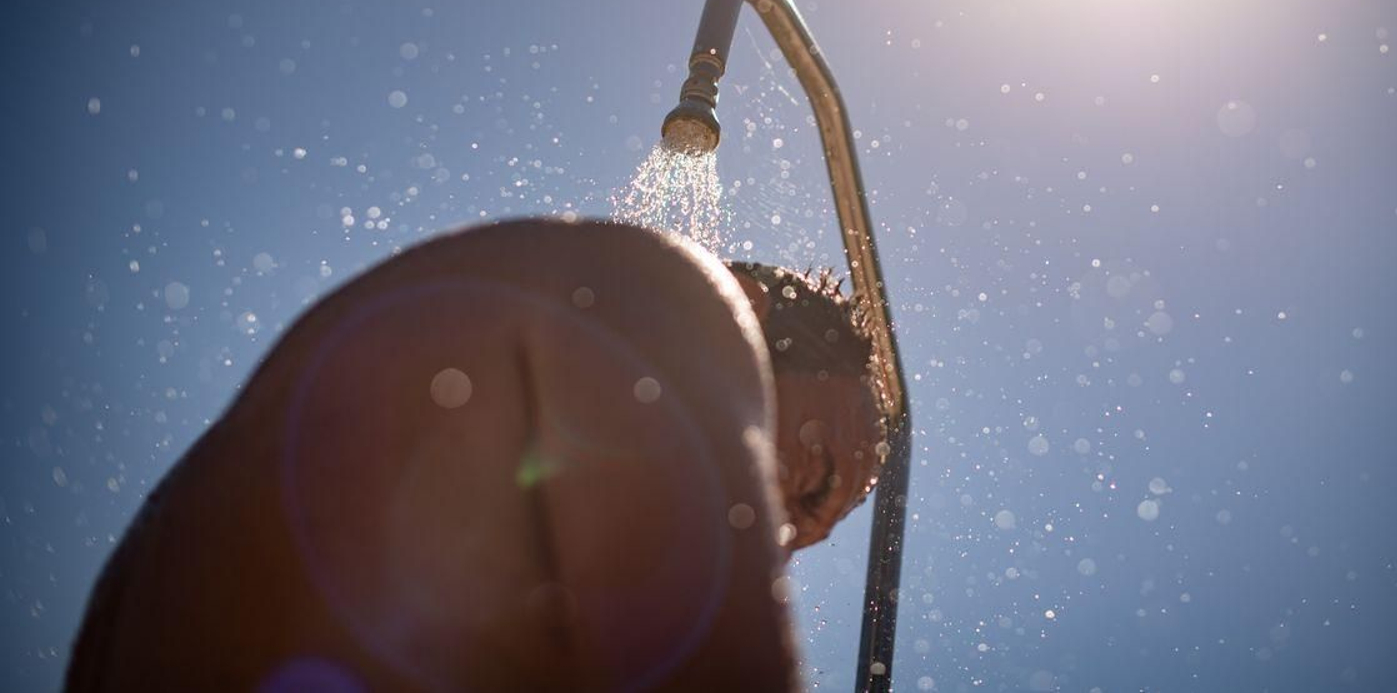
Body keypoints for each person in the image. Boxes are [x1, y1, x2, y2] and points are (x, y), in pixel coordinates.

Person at [64, 218, 889, 692]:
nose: (779, 540)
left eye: (804, 537)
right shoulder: (676, 294)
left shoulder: (465, 496)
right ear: (748, 312)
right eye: (810, 487)